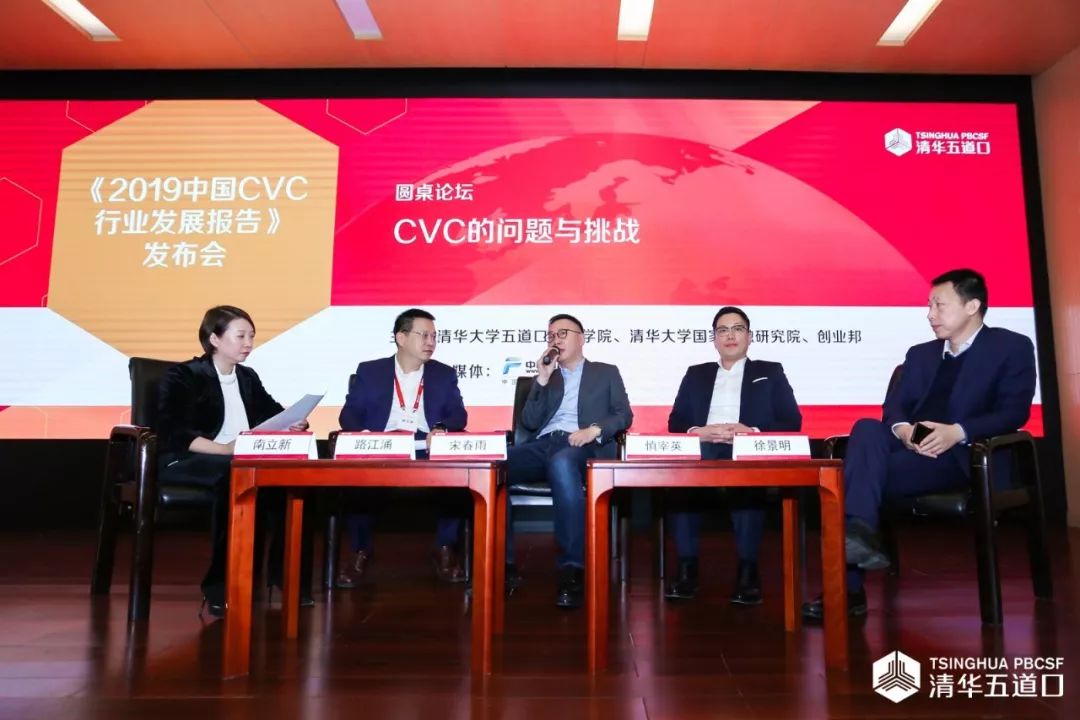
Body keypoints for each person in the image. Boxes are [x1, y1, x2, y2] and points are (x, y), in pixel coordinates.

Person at [802, 268, 1037, 620]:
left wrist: (956, 431)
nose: (930, 314)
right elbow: (895, 408)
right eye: (929, 305)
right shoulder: (921, 354)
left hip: (962, 455)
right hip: (911, 449)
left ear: (972, 306)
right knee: (866, 428)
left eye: (939, 305)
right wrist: (904, 432)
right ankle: (857, 541)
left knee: (855, 480)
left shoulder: (1011, 347)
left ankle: (848, 589)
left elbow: (1013, 412)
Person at [157, 305, 313, 619]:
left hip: (239, 459)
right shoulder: (185, 375)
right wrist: (224, 449)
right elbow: (175, 432)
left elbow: (272, 414)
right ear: (214, 339)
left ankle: (286, 577)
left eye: (251, 336)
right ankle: (221, 586)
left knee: (296, 483)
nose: (248, 343)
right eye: (240, 336)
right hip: (193, 458)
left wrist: (293, 423)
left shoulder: (247, 377)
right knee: (237, 477)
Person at [665, 306, 802, 604]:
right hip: (704, 445)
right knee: (680, 479)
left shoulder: (770, 372)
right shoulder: (696, 374)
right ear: (714, 339)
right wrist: (698, 431)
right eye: (723, 330)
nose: (730, 335)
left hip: (746, 447)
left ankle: (748, 570)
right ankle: (687, 567)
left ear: (749, 337)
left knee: (748, 483)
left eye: (738, 329)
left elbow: (791, 420)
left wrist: (751, 431)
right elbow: (676, 421)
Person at [507, 313, 633, 608]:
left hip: (582, 445)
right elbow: (529, 422)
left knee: (563, 463)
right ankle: (503, 565)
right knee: (493, 467)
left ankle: (572, 569)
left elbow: (623, 414)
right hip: (543, 445)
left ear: (581, 338)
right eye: (551, 335)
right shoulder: (546, 378)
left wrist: (594, 430)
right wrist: (541, 379)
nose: (555, 340)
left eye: (562, 333)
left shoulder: (605, 372)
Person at [336, 308, 469, 586]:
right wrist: (365, 436)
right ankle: (360, 550)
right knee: (356, 482)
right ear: (401, 337)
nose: (431, 342)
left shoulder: (443, 374)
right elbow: (350, 414)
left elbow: (459, 414)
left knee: (457, 477)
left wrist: (441, 428)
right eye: (424, 335)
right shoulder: (370, 371)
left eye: (434, 336)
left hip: (425, 447)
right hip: (382, 445)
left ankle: (445, 548)